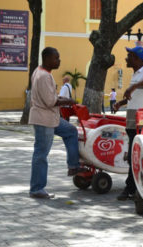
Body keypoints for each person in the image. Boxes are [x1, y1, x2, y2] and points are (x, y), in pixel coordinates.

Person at [28, 47, 86, 199]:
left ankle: (73, 166)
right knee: (41, 154)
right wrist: (69, 100)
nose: (59, 61)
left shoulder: (40, 72)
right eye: (56, 58)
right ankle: (37, 189)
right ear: (47, 59)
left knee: (71, 131)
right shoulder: (44, 76)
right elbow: (50, 101)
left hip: (50, 118)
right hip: (44, 119)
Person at [113, 46, 143, 200]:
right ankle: (134, 186)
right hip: (132, 119)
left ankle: (131, 187)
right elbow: (136, 96)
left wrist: (133, 86)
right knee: (134, 153)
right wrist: (121, 102)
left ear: (139, 59)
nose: (127, 59)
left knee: (136, 154)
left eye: (130, 56)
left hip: (142, 121)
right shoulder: (136, 74)